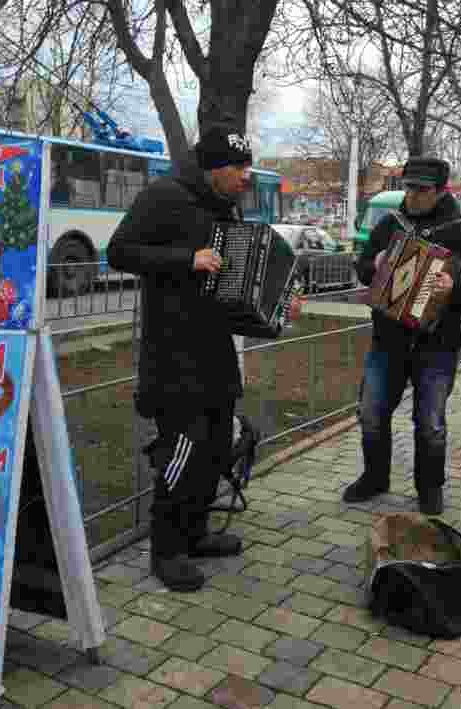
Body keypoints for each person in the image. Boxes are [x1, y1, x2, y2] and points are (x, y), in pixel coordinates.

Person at [106, 127, 301, 592]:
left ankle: (194, 534)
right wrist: (185, 259)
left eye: (247, 168)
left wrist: (278, 305)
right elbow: (118, 252)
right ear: (214, 168)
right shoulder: (163, 196)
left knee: (214, 448)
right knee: (182, 452)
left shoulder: (224, 208)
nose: (246, 177)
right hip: (172, 353)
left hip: (214, 350)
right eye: (239, 169)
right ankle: (166, 549)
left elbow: (239, 281)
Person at [342, 157, 461, 514]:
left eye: (422, 189)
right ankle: (375, 477)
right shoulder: (390, 224)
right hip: (387, 340)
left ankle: (430, 488)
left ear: (440, 190)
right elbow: (361, 266)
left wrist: (454, 286)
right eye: (408, 187)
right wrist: (370, 266)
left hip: (437, 344)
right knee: (372, 412)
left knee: (430, 422)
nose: (413, 195)